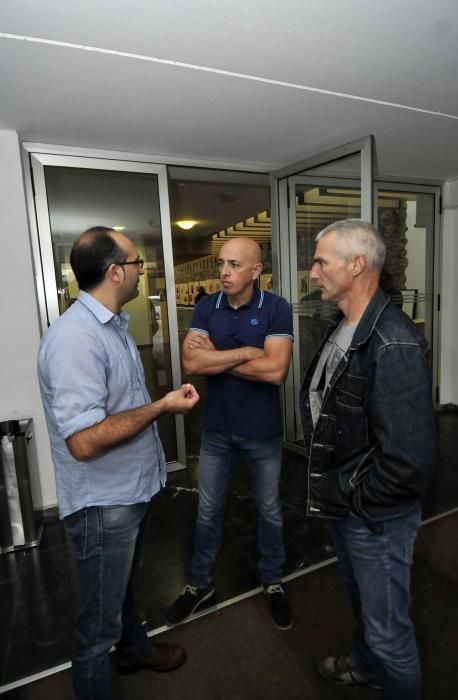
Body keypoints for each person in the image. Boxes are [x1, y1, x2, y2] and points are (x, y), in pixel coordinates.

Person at [37, 227, 200, 700]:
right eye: (137, 264)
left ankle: (133, 650)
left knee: (123, 586)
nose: (141, 271)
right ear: (114, 272)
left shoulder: (110, 325)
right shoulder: (75, 340)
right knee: (96, 625)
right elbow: (84, 442)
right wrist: (161, 406)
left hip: (129, 492)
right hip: (102, 505)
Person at [299, 219, 436, 699]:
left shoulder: (392, 342)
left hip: (374, 517)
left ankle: (381, 665)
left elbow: (408, 463)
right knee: (365, 607)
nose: (312, 271)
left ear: (357, 265)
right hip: (350, 505)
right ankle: (367, 666)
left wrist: (351, 497)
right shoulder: (346, 325)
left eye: (321, 261)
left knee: (389, 633)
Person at [166, 237, 294, 630]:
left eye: (234, 265)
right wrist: (246, 352)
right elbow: (190, 363)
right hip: (218, 430)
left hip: (263, 432)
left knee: (270, 510)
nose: (223, 271)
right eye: (221, 263)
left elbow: (275, 372)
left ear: (256, 270)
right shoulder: (208, 306)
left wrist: (216, 358)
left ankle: (272, 580)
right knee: (208, 511)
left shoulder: (276, 308)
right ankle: (200, 585)